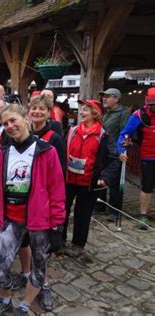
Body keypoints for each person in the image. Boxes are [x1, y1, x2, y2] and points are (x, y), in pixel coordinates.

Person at [0, 103, 66, 316]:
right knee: (1, 267)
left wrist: (57, 227)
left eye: (14, 120)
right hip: (10, 219)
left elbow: (57, 191)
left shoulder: (46, 151)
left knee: (39, 267)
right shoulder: (3, 153)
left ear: (26, 119)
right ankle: (5, 300)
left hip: (40, 221)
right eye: (5, 123)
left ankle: (25, 305)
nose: (10, 126)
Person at [63, 99, 117, 257]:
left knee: (82, 214)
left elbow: (113, 158)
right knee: (62, 211)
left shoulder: (104, 135)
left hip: (89, 182)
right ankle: (59, 240)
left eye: (86, 109)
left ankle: (78, 244)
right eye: (82, 109)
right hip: (68, 179)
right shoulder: (72, 130)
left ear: (95, 114)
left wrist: (105, 177)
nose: (81, 112)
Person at [117, 87, 155, 229]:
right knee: (147, 186)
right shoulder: (139, 116)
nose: (153, 108)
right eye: (151, 105)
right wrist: (121, 150)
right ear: (146, 102)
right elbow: (124, 134)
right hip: (148, 157)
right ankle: (143, 216)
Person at [97, 88, 130, 222]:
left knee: (115, 184)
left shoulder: (123, 113)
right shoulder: (106, 114)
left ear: (116, 98)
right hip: (104, 152)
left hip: (116, 153)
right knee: (101, 179)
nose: (104, 98)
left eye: (108, 96)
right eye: (103, 96)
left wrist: (122, 150)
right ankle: (100, 205)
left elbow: (125, 132)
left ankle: (114, 210)